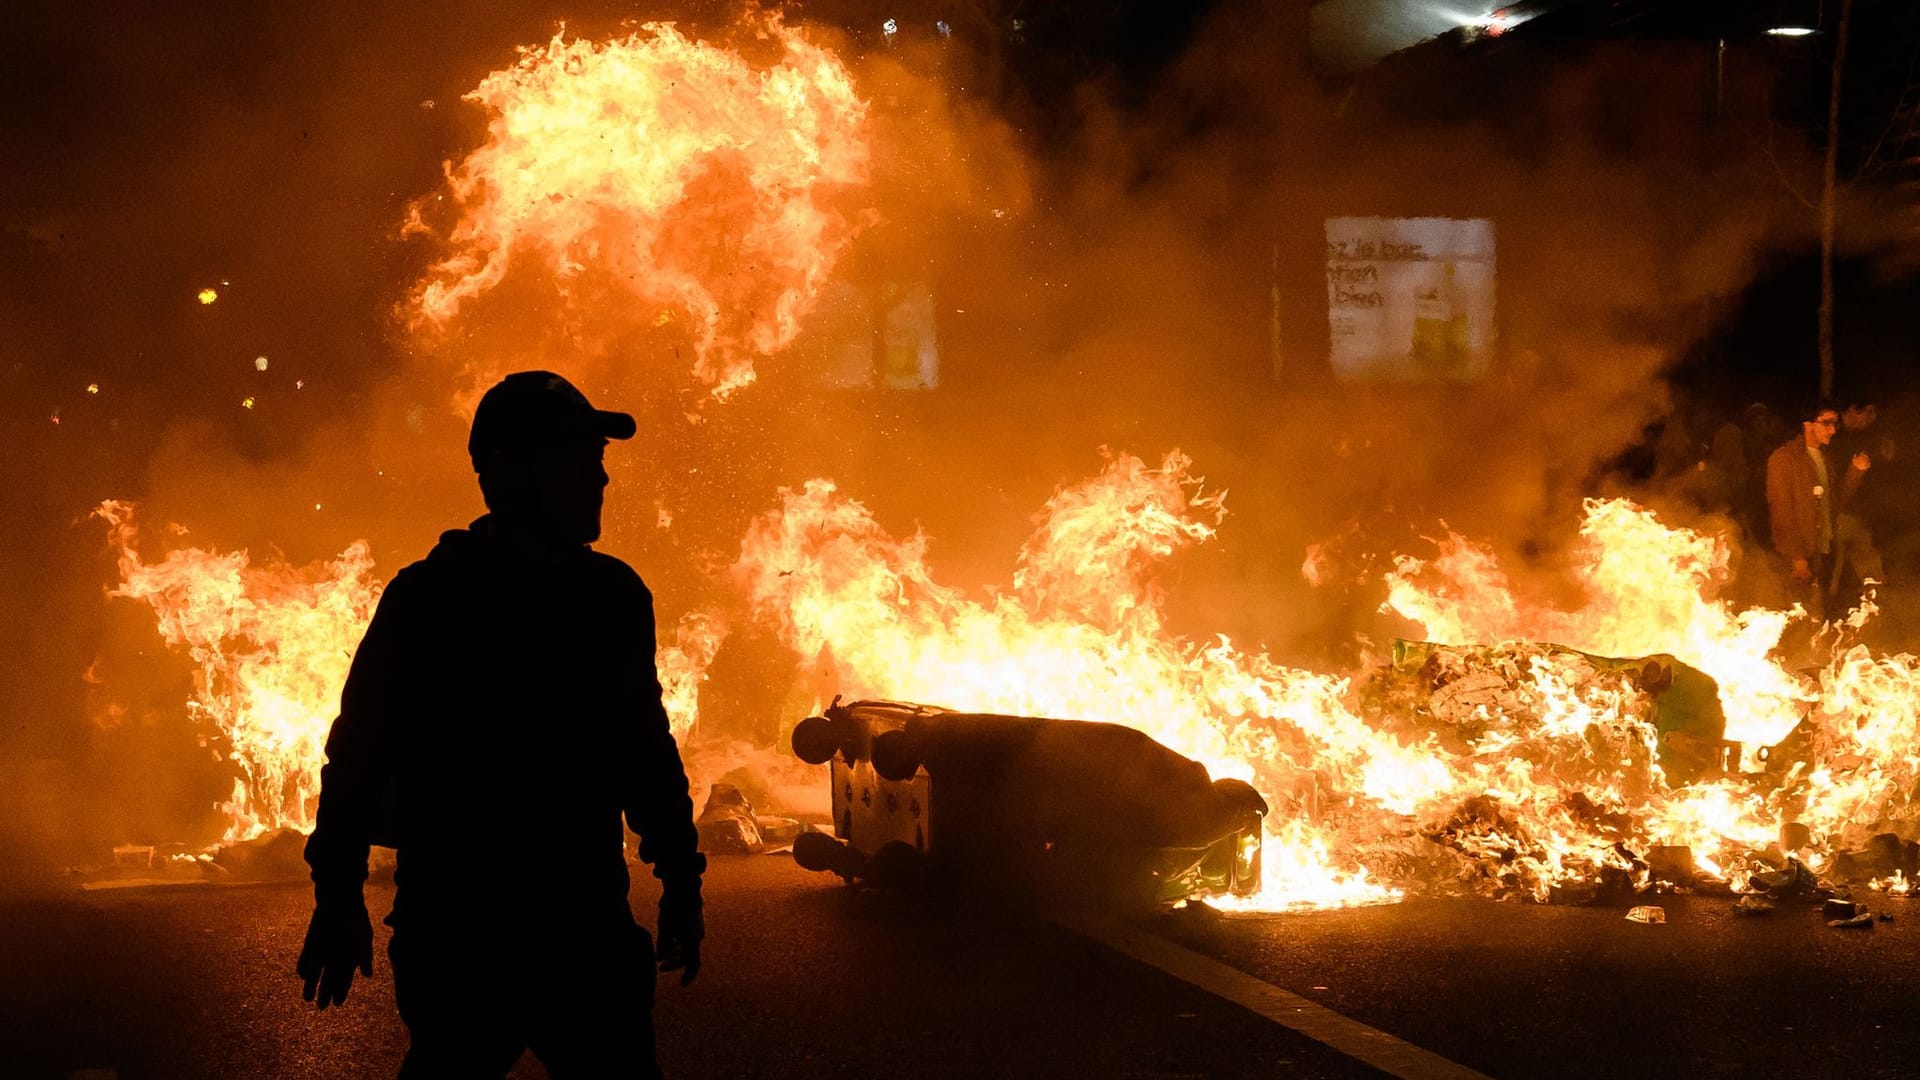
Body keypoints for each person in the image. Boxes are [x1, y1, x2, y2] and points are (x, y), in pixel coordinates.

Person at [296, 370, 705, 1078]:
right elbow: (357, 757)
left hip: (536, 929)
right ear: (518, 472)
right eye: (582, 460)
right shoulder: (442, 600)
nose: (600, 481)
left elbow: (644, 751)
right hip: (483, 933)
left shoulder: (602, 597)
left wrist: (681, 880)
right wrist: (337, 897)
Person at [1766, 401, 1868, 621]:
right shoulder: (1784, 458)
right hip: (1797, 556)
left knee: (1819, 617)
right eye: (1827, 423)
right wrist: (1797, 558)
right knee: (1795, 619)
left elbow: (1836, 503)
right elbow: (1782, 511)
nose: (1833, 430)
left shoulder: (1824, 459)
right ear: (1807, 425)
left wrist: (1855, 472)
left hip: (1821, 552)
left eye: (1835, 424)